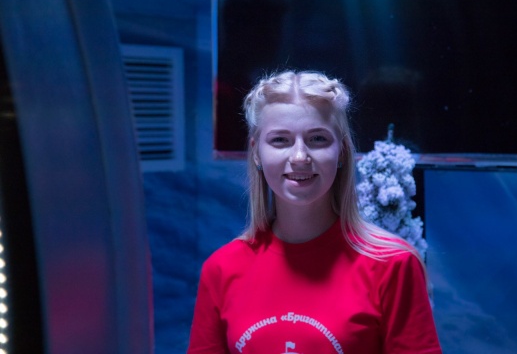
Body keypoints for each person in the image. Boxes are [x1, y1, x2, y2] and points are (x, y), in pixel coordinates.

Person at [187, 71, 442, 353]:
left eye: (317, 139)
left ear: (342, 151)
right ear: (257, 152)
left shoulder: (393, 265)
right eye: (280, 140)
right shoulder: (221, 269)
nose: (299, 157)